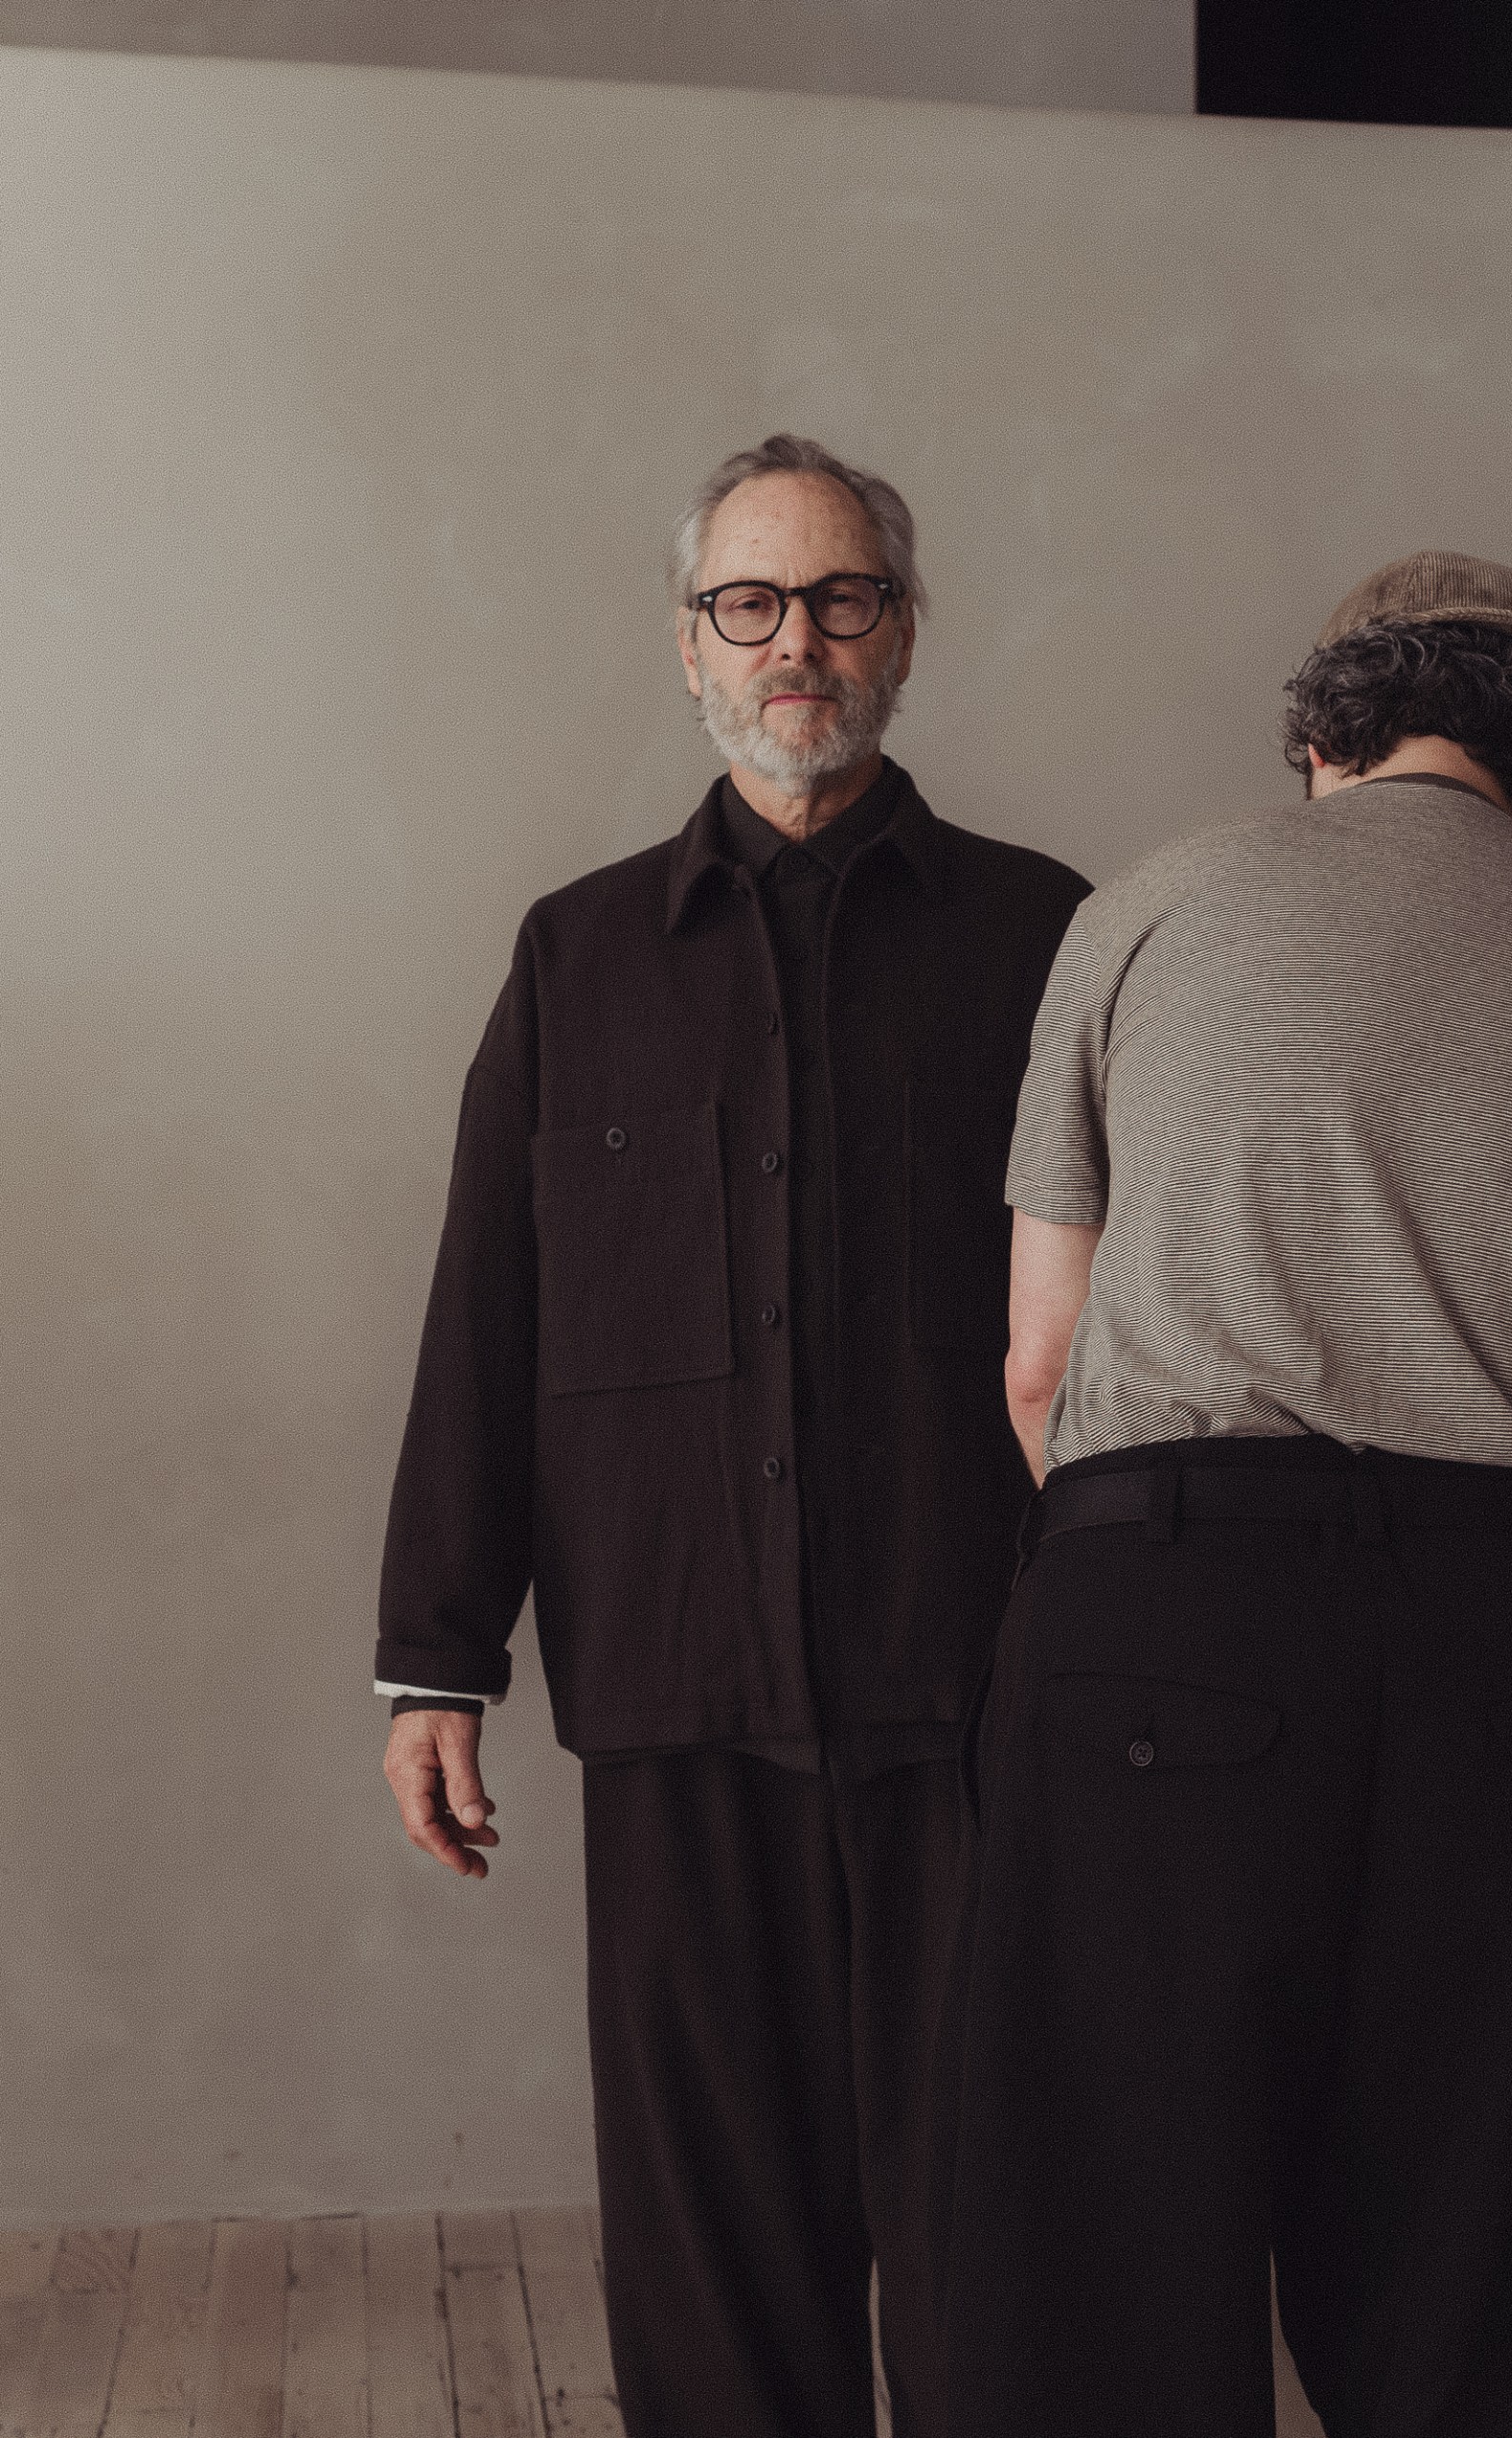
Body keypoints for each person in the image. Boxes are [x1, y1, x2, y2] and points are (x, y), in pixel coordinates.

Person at [935, 551, 1512, 2436]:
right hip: (1496, 1632)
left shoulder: (1155, 905)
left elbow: (1039, 1365)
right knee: (1484, 2266)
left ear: (1321, 735)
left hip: (1162, 1605)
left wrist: (1179, 1571)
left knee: (1104, 2260)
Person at [371, 435, 1086, 2438]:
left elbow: (1138, 1336)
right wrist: (440, 1649)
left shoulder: (1050, 942)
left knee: (997, 2252)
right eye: (752, 605)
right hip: (681, 1711)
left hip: (976, 1706)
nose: (801, 643)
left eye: (843, 598)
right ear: (689, 646)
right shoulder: (574, 957)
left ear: (908, 636)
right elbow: (486, 1315)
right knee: (709, 2273)